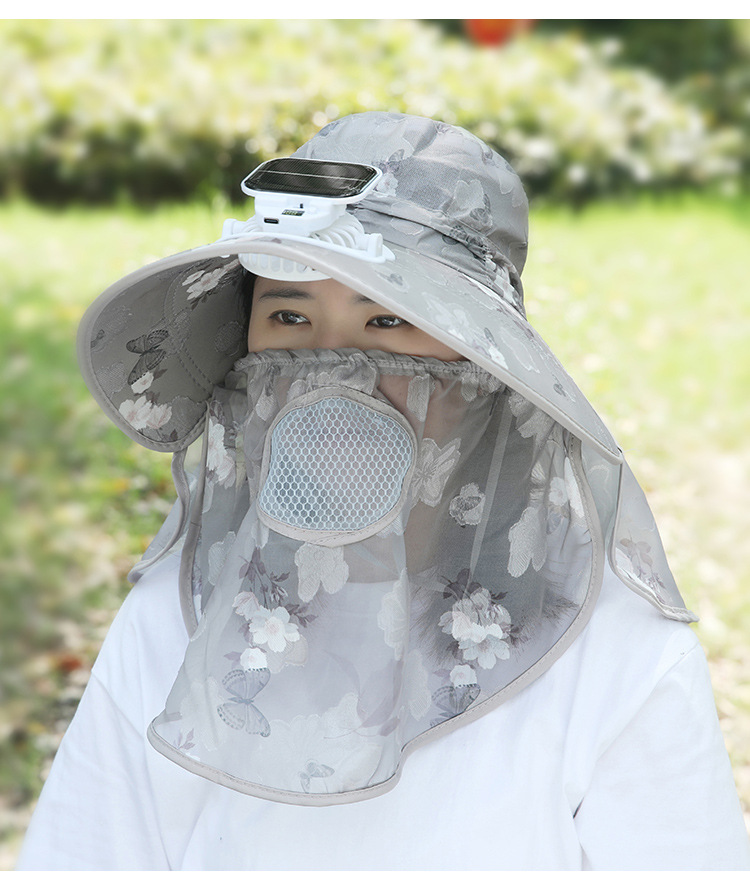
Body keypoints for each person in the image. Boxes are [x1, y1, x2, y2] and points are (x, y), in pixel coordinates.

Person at [17, 112, 750, 870]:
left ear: (483, 365)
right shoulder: (177, 613)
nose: (332, 368)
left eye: (389, 318)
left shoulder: (612, 647)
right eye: (290, 314)